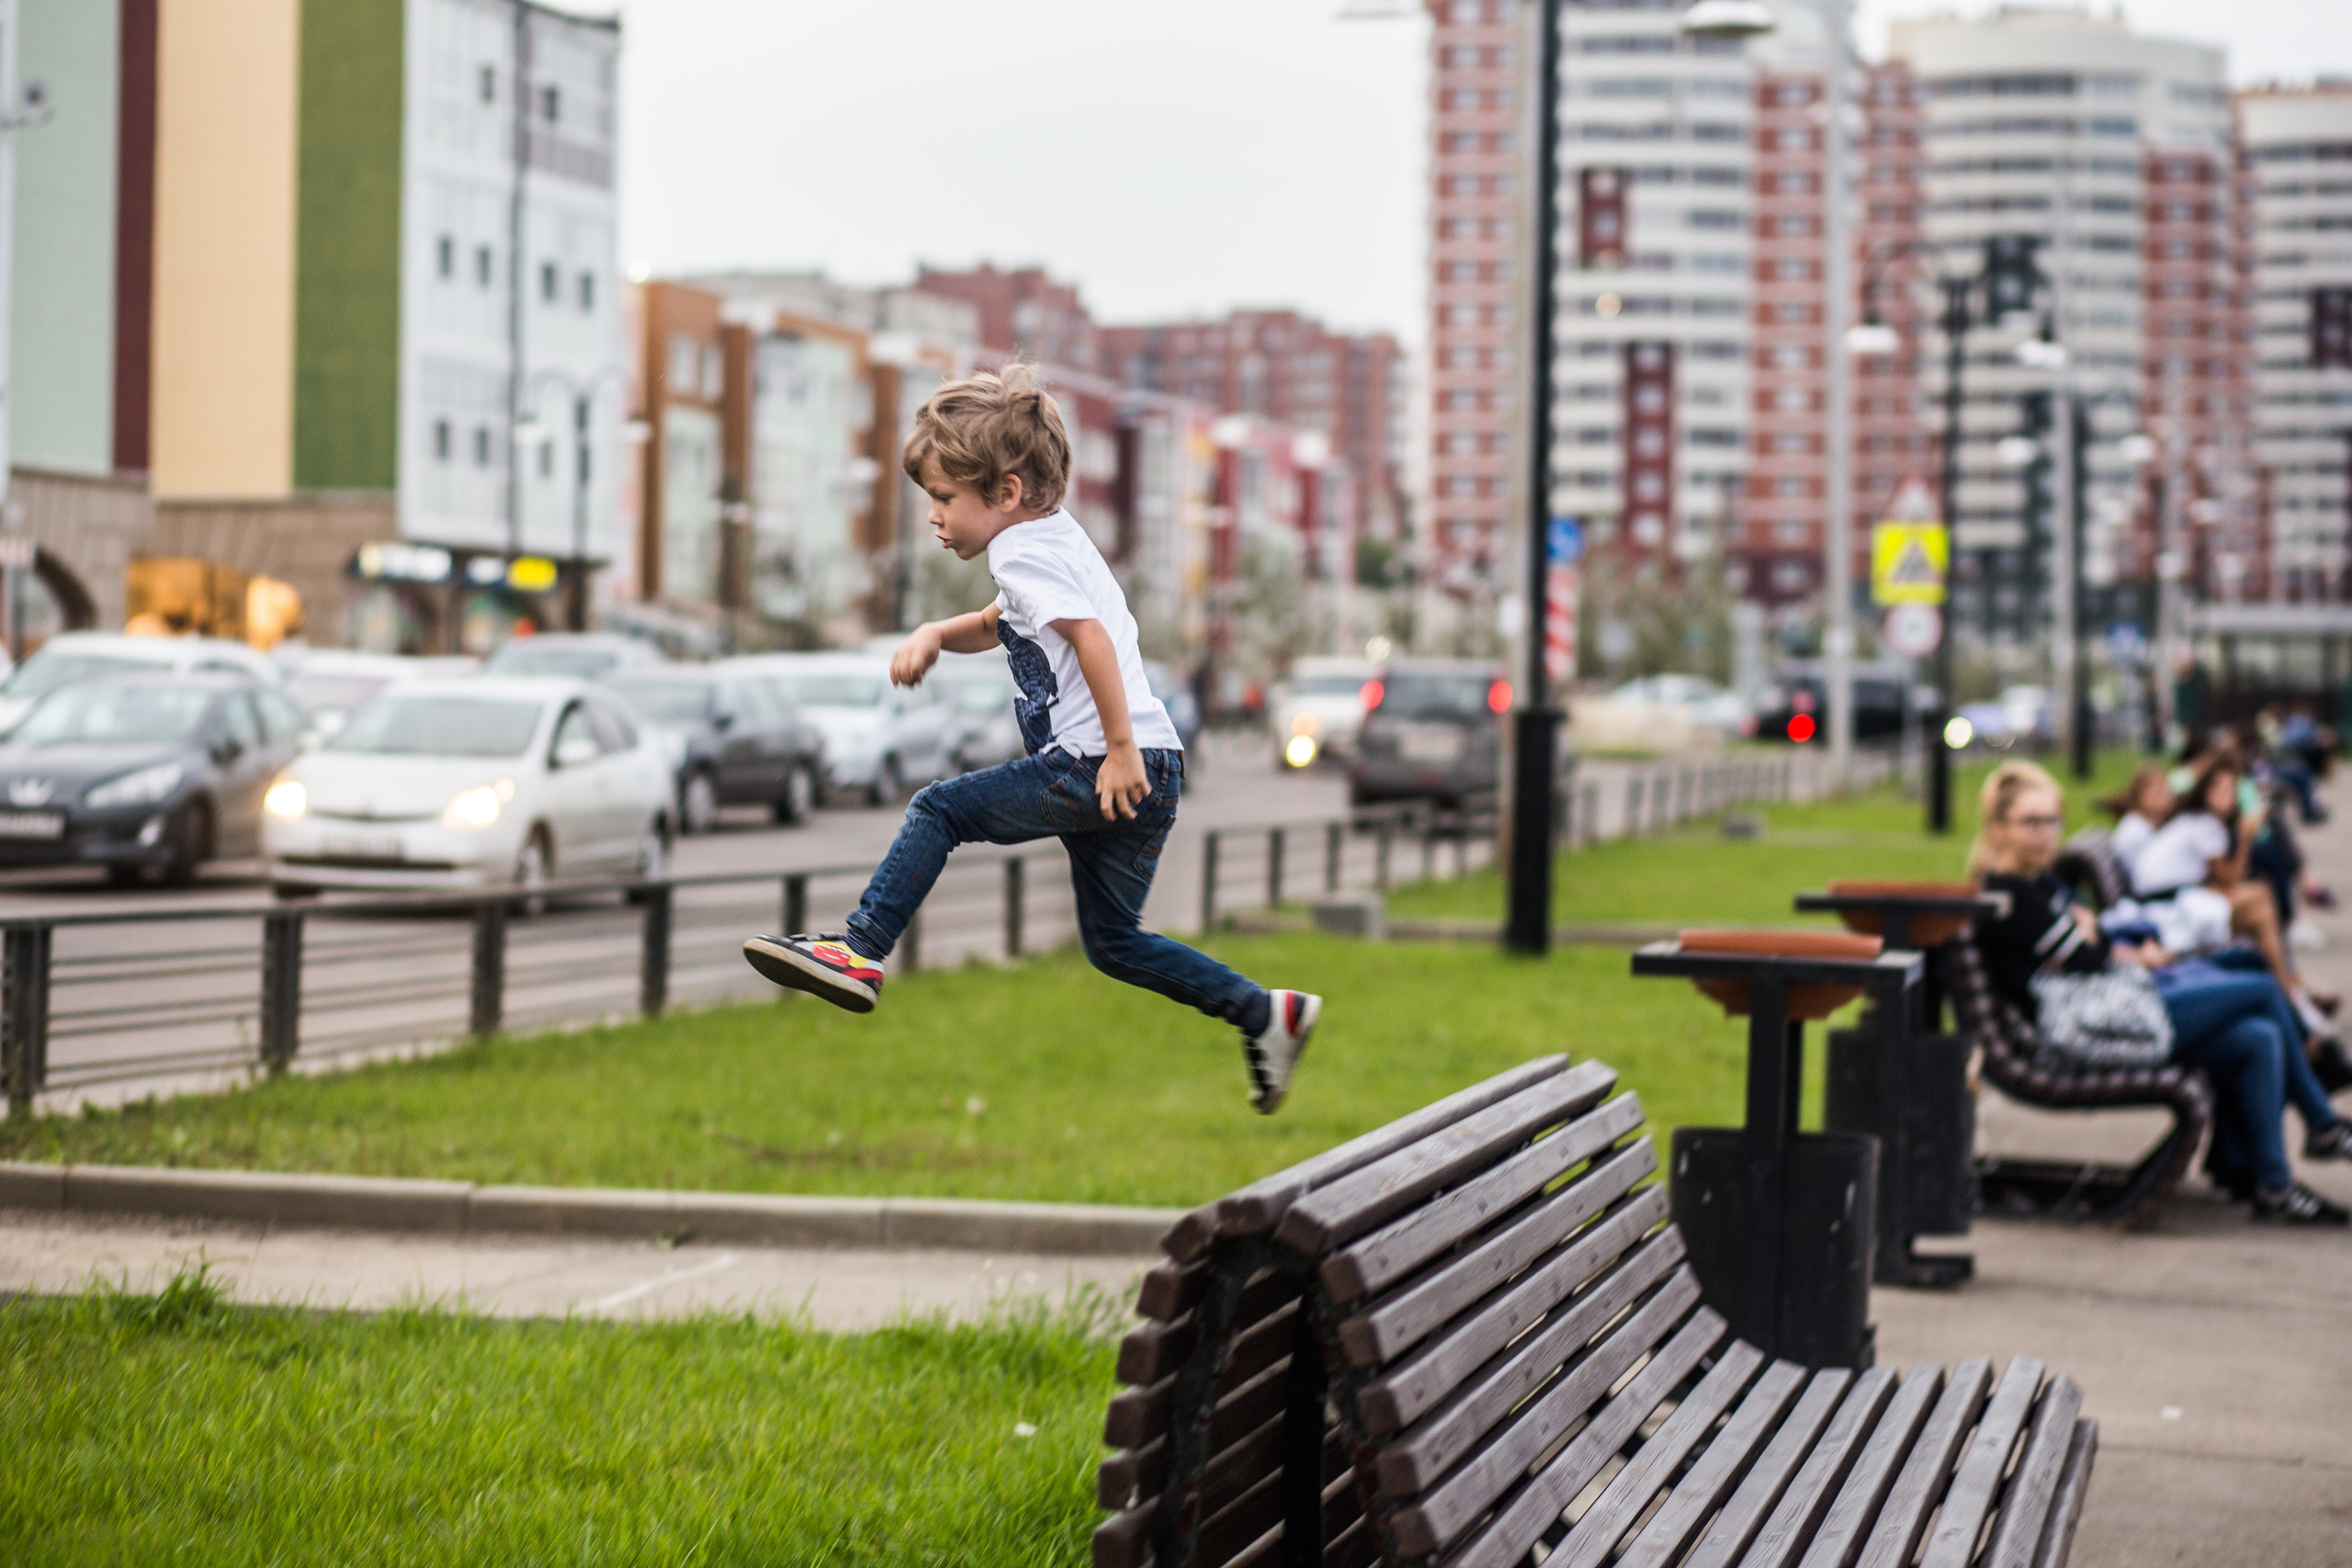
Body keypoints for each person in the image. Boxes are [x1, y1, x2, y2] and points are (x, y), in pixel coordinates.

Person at [739, 365, 1322, 1113]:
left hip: (1099, 762)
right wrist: (934, 634)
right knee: (1114, 943)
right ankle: (1263, 1013)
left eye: (946, 499)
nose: (935, 518)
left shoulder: (1020, 552)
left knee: (938, 810)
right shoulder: (1054, 542)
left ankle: (859, 949)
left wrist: (1113, 750)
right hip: (1155, 766)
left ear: (1005, 493)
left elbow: (1091, 644)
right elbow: (997, 624)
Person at [1971, 761, 2350, 1225]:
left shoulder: (2039, 881)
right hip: (2091, 1027)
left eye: (2053, 820)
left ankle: (2275, 1185)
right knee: (2260, 986)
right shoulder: (2008, 897)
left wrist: (2087, 934)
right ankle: (2322, 1121)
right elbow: (2088, 956)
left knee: (2258, 1037)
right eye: (2032, 822)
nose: (2047, 833)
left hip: (2118, 1004)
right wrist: (2087, 935)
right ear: (1997, 828)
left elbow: (2096, 939)